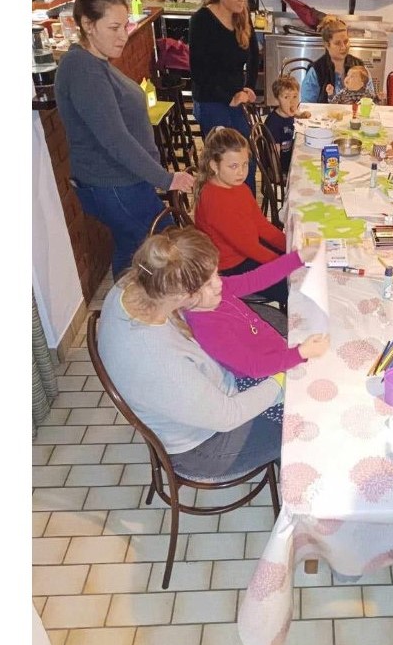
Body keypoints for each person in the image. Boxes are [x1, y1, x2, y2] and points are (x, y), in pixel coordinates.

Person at [96, 228, 285, 481]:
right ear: (181, 294)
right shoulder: (160, 360)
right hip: (204, 447)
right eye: (208, 283)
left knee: (277, 331)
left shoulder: (135, 283)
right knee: (303, 419)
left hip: (205, 395)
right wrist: (281, 381)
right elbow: (228, 416)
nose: (220, 283)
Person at [53, 0, 195, 278]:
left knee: (131, 249)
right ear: (88, 25)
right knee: (165, 248)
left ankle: (124, 304)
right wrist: (165, 178)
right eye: (114, 27)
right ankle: (139, 306)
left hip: (123, 181)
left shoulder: (94, 63)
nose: (123, 35)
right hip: (114, 184)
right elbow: (115, 139)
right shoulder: (83, 70)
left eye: (125, 24)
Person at [181, 242, 330, 380]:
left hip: (276, 350)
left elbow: (255, 279)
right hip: (264, 376)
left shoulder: (216, 292)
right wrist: (300, 353)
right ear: (185, 296)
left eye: (216, 274)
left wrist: (298, 257)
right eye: (208, 283)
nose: (219, 283)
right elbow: (255, 367)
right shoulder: (209, 330)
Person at [193, 127, 289, 305]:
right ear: (214, 166)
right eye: (233, 166)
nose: (241, 172)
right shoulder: (215, 201)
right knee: (295, 286)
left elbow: (261, 226)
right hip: (231, 269)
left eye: (245, 164)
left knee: (299, 264)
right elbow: (249, 247)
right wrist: (286, 263)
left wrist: (290, 246)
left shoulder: (239, 187)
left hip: (247, 252)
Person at [189, 0, 260, 194]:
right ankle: (222, 210)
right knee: (225, 167)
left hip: (235, 100)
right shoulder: (202, 21)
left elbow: (254, 56)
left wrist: (249, 87)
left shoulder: (242, 15)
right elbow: (199, 73)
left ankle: (246, 209)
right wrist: (229, 97)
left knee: (246, 161)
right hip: (211, 101)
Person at [299, 15, 377, 104]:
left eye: (346, 41)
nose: (343, 47)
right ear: (327, 45)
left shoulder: (360, 66)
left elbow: (370, 102)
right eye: (337, 43)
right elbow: (307, 106)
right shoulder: (316, 71)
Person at [265, 76, 310, 177]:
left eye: (295, 96)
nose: (292, 102)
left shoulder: (287, 112)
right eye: (286, 97)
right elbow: (274, 154)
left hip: (289, 156)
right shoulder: (274, 123)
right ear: (277, 100)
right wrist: (278, 176)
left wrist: (302, 115)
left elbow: (295, 112)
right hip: (280, 167)